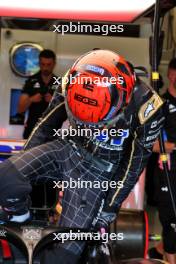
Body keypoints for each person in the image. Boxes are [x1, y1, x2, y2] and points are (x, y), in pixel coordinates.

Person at [0, 50, 164, 263]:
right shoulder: (72, 79)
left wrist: (110, 206)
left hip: (98, 174)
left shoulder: (147, 107)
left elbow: (135, 162)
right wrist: (26, 170)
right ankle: (21, 218)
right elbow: (46, 125)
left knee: (62, 258)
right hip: (67, 149)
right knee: (7, 178)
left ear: (123, 100)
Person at [153, 58, 176, 264]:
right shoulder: (159, 103)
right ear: (170, 74)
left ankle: (158, 251)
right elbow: (150, 144)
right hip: (167, 172)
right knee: (171, 222)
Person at [17, 49, 58, 139]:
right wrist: (31, 99)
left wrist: (53, 101)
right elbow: (20, 109)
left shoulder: (60, 83)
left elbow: (66, 111)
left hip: (51, 132)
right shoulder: (31, 81)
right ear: (39, 63)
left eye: (48, 65)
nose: (45, 68)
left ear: (54, 64)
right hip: (31, 131)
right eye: (43, 64)